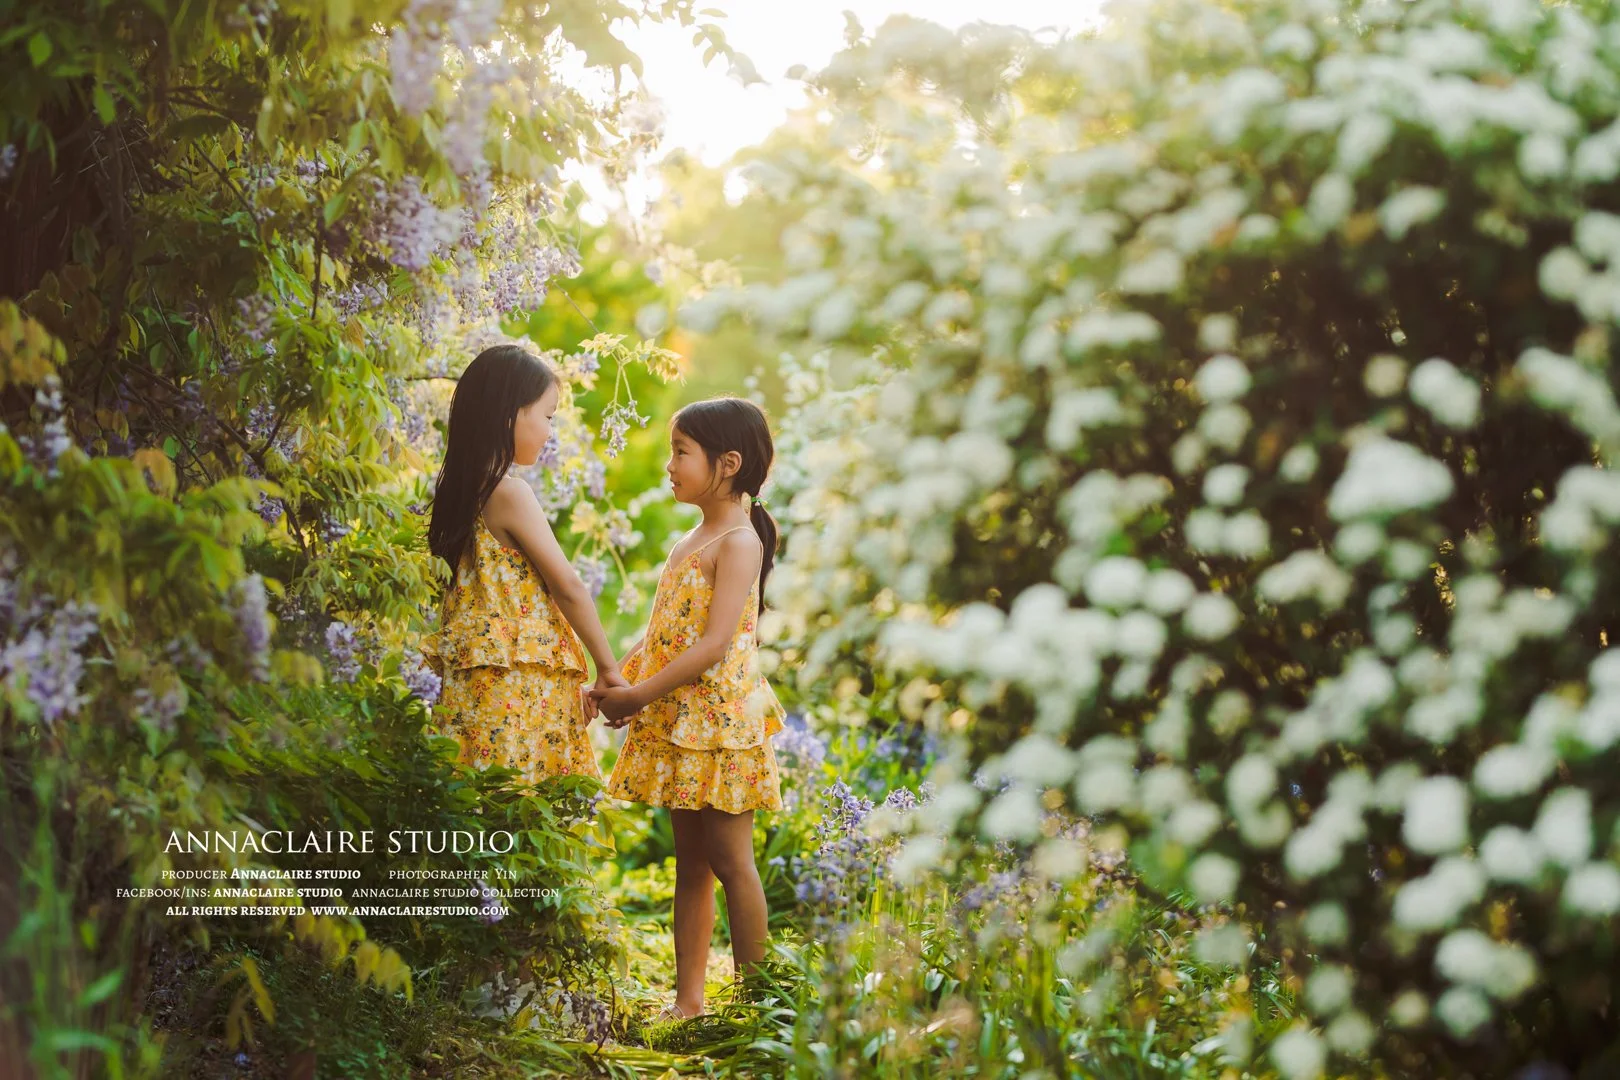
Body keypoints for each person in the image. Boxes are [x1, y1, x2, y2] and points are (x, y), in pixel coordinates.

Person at [592, 396, 785, 1021]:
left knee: (732, 860)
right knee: (692, 865)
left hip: (721, 724)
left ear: (726, 463)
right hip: (681, 724)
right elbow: (663, 632)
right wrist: (619, 676)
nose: (669, 465)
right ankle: (689, 1001)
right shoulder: (691, 537)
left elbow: (713, 643)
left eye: (680, 452)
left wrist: (638, 695)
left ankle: (760, 1006)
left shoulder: (739, 541)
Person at [421, 344, 625, 784]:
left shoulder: (457, 495)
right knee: (523, 811)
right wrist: (608, 668)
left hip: (474, 692)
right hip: (514, 688)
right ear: (511, 414)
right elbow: (567, 585)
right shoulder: (509, 493)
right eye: (548, 416)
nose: (551, 431)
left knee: (481, 808)